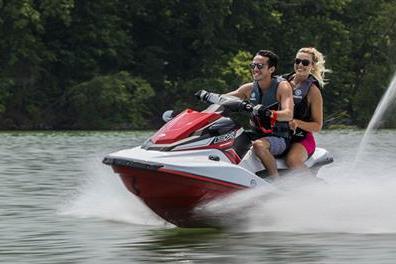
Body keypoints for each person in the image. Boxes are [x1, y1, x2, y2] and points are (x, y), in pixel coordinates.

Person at [227, 50, 294, 177]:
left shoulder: (282, 86)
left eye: (260, 66)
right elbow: (225, 98)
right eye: (253, 65)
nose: (255, 69)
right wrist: (207, 95)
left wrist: (269, 113)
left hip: (279, 138)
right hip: (256, 134)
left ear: (271, 69)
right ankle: (233, 175)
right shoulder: (249, 88)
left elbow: (288, 114)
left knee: (258, 145)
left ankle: (276, 180)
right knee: (228, 137)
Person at [284, 47, 329, 170]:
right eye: (297, 61)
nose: (300, 65)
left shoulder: (313, 91)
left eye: (305, 62)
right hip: (280, 135)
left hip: (303, 139)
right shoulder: (283, 82)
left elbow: (317, 125)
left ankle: (313, 187)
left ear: (312, 66)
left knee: (292, 160)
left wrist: (296, 123)